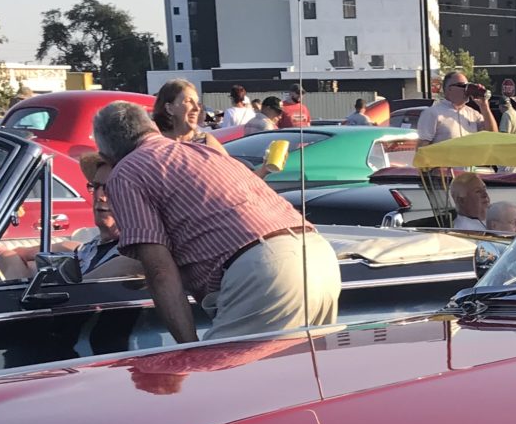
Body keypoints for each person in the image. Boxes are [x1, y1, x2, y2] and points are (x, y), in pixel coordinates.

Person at [93, 100, 339, 344]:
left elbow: (159, 270)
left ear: (107, 157)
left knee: (221, 379)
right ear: (154, 130)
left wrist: (189, 348)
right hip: (318, 255)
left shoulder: (125, 172)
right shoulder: (203, 151)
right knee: (294, 378)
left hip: (261, 272)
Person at [71, 152, 143, 280]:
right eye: (96, 186)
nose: (100, 196)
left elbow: (78, 292)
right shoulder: (89, 248)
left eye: (110, 187)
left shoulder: (135, 255)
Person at [418, 71, 499, 142]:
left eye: (468, 85)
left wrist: (484, 107)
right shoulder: (432, 113)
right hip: (444, 159)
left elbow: (493, 135)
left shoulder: (473, 114)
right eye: (463, 86)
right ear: (449, 89)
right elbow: (423, 148)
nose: (466, 89)